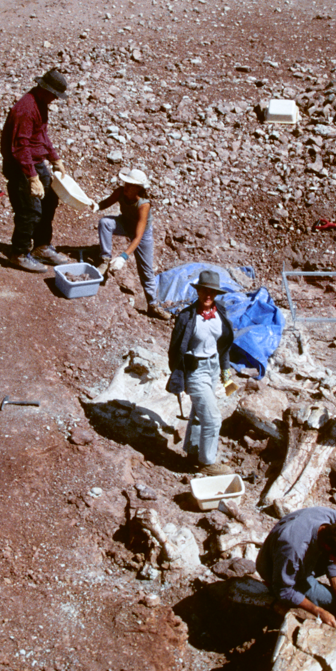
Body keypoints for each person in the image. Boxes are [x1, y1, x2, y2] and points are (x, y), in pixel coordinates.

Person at [0, 68, 71, 273]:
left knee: (49, 200)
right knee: (30, 210)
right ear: (44, 89)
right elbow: (20, 147)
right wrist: (32, 177)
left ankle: (41, 247)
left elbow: (41, 136)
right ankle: (19, 253)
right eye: (54, 95)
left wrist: (55, 158)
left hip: (35, 161)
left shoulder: (41, 104)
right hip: (20, 165)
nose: (55, 99)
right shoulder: (25, 109)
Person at [256, 506, 336, 628]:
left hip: (309, 556)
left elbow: (334, 565)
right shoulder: (293, 549)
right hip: (283, 572)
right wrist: (319, 611)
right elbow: (284, 591)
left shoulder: (332, 518)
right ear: (327, 547)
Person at [167, 270, 234, 473]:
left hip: (213, 368)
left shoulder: (220, 312)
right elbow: (174, 350)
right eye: (205, 290)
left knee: (199, 413)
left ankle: (193, 452)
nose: (208, 296)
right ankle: (207, 464)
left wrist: (226, 374)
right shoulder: (187, 317)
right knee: (213, 419)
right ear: (198, 291)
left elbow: (223, 345)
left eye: (212, 292)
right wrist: (179, 377)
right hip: (196, 371)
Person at [94, 168, 163, 318]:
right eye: (126, 182)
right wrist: (96, 205)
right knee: (105, 222)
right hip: (125, 223)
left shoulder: (143, 205)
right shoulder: (120, 192)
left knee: (146, 270)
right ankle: (105, 260)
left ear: (139, 188)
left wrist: (123, 257)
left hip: (142, 234)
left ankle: (153, 305)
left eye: (131, 184)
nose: (126, 186)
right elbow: (107, 202)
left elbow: (138, 236)